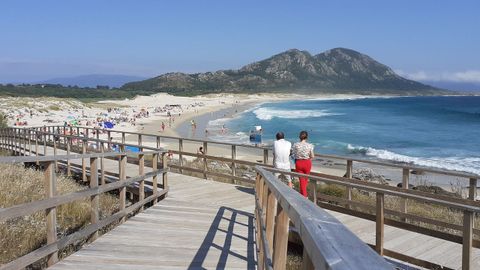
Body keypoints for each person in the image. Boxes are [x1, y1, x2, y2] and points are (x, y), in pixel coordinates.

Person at [292, 131, 314, 198]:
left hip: (299, 163)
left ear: (299, 137)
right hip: (307, 163)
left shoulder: (296, 145)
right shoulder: (310, 145)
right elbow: (312, 156)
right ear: (307, 137)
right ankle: (304, 197)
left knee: (302, 181)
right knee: (305, 180)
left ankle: (303, 196)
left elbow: (293, 154)